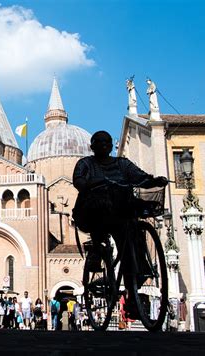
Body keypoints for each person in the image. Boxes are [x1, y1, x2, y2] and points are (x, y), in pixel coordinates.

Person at [73, 131, 167, 313]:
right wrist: (90, 184)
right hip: (93, 211)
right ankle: (97, 251)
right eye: (99, 142)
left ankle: (132, 291)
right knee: (99, 216)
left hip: (121, 211)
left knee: (132, 240)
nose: (103, 145)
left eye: (107, 142)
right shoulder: (85, 163)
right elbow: (78, 180)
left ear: (110, 145)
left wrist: (153, 180)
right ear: (92, 147)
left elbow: (140, 176)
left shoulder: (122, 164)